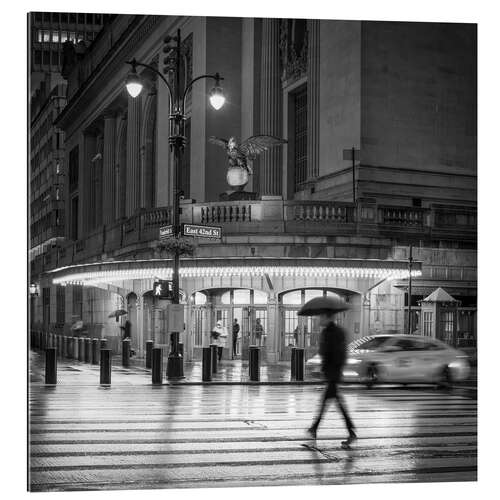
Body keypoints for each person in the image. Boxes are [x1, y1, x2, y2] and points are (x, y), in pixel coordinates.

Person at [307, 311, 356, 448]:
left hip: (333, 372)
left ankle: (315, 428)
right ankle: (315, 428)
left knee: (330, 402)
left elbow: (335, 353)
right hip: (332, 372)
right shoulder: (330, 332)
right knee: (333, 402)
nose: (319, 318)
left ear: (328, 317)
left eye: (321, 316)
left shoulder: (333, 332)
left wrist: (327, 360)